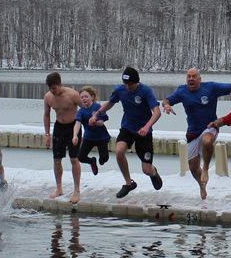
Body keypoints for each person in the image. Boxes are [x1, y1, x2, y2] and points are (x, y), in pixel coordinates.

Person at [163, 69, 231, 199]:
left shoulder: (211, 87)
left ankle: (205, 168)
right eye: (188, 77)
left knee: (207, 141)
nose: (191, 79)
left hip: (210, 126)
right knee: (193, 168)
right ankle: (202, 186)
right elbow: (166, 100)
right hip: (193, 131)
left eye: (194, 76)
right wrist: (167, 106)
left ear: (199, 79)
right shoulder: (182, 91)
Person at [94, 66, 163, 198]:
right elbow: (109, 103)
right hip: (127, 128)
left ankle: (154, 172)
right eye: (126, 84)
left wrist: (147, 126)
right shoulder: (120, 90)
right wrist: (97, 114)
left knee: (146, 170)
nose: (128, 87)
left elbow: (157, 112)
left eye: (130, 84)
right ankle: (128, 183)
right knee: (119, 151)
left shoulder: (145, 91)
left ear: (136, 82)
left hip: (144, 132)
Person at [43, 72, 83, 203]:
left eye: (54, 88)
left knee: (74, 159)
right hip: (59, 127)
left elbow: (85, 110)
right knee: (56, 160)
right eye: (50, 88)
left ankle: (77, 190)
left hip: (73, 127)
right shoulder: (48, 97)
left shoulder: (72, 95)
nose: (52, 91)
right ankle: (59, 188)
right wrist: (47, 134)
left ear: (60, 85)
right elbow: (47, 115)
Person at [74, 86, 112, 176]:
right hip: (89, 138)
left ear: (92, 97)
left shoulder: (97, 107)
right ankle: (92, 161)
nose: (84, 99)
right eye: (82, 97)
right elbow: (77, 123)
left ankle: (101, 159)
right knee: (81, 157)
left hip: (101, 137)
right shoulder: (81, 111)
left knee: (104, 159)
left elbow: (102, 122)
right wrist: (75, 135)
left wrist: (95, 122)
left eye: (86, 96)